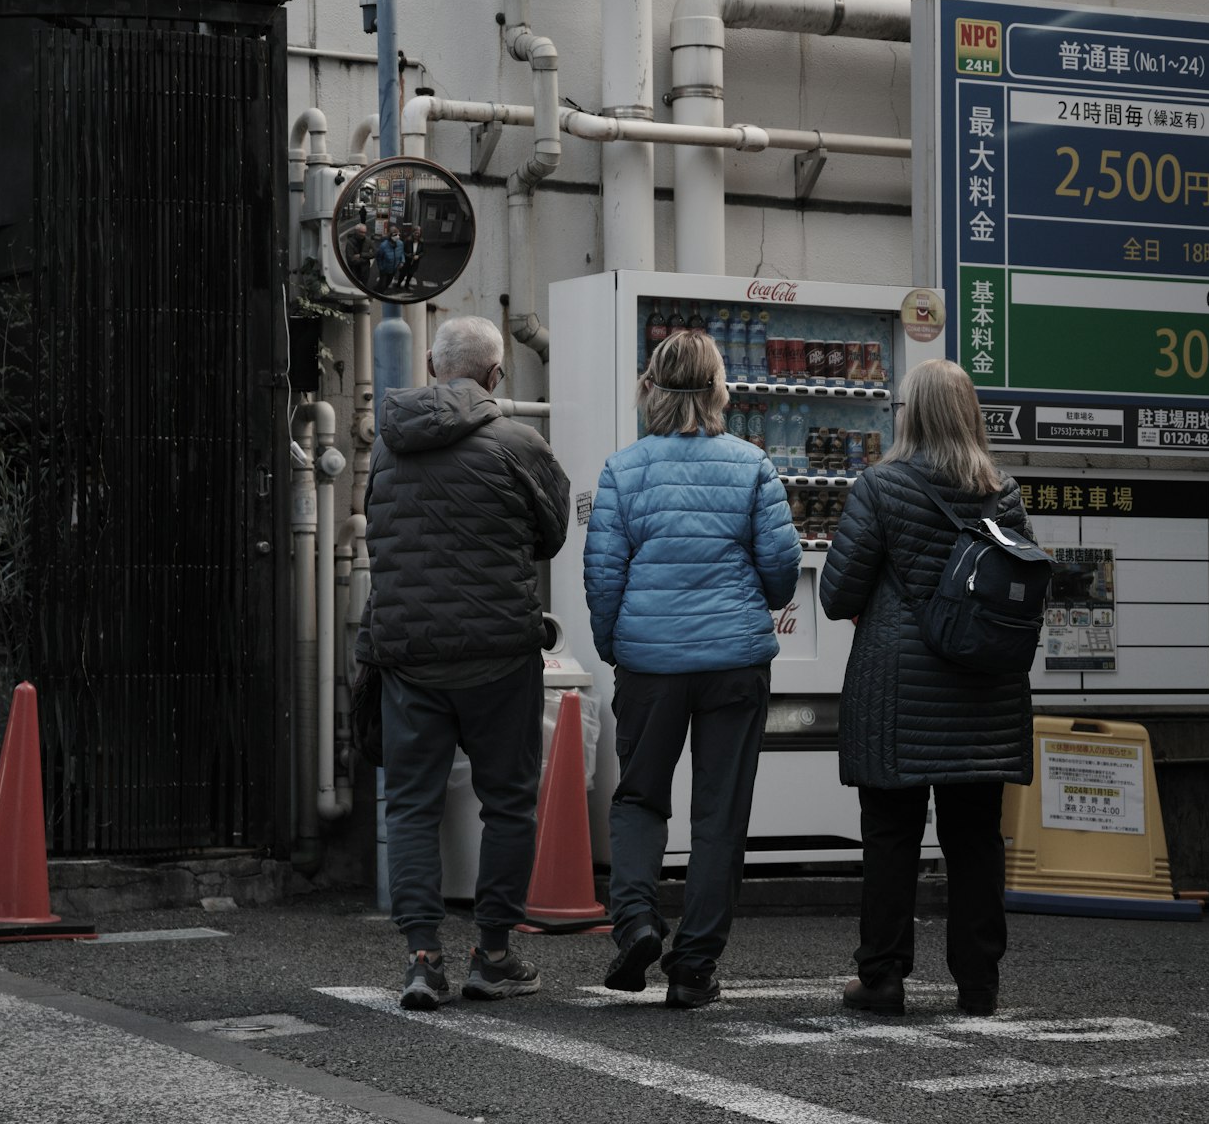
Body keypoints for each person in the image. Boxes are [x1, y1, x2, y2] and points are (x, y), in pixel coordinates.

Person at [357, 316, 570, 1010]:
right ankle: (494, 954)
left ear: (430, 364)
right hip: (498, 656)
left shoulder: (388, 450)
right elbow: (552, 535)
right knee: (506, 803)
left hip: (409, 655)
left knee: (411, 808)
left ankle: (422, 959)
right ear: (496, 376)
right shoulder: (518, 443)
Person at [584, 329, 801, 1009]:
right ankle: (694, 967)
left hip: (649, 662)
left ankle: (637, 924)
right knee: (719, 815)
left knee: (640, 797)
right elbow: (781, 572)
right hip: (735, 661)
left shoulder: (624, 469)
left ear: (650, 386)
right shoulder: (753, 465)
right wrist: (757, 603)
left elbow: (603, 577)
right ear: (717, 389)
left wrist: (616, 645)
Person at [818, 359, 1034, 1019]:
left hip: (898, 691)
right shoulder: (1003, 493)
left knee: (891, 836)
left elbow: (836, 595)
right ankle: (978, 985)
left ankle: (881, 977)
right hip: (983, 691)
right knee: (975, 840)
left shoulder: (880, 487)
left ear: (912, 416)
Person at [341, 222, 375, 290]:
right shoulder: (350, 243)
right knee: (354, 287)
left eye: (364, 232)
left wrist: (361, 255)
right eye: (361, 232)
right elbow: (351, 260)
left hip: (365, 271)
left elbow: (374, 253)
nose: (363, 234)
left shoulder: (368, 241)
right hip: (354, 271)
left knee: (364, 287)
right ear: (356, 232)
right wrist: (366, 259)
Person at [375, 226, 405, 291]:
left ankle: (380, 290)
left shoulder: (401, 244)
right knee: (382, 283)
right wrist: (381, 267)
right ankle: (378, 292)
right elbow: (379, 257)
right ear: (390, 235)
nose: (397, 236)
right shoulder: (383, 245)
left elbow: (402, 253)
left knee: (388, 282)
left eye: (398, 234)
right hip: (384, 269)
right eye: (395, 235)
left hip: (394, 269)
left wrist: (402, 261)